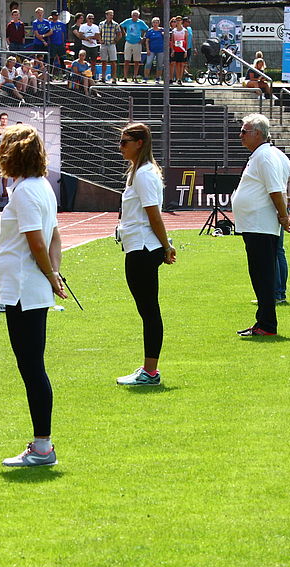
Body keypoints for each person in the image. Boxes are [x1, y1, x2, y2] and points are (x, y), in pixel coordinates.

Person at [0, 124, 66, 466]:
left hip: (24, 288)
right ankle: (41, 444)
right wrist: (53, 273)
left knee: (32, 367)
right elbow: (54, 238)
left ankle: (42, 447)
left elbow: (39, 240)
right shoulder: (41, 188)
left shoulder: (25, 192)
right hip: (29, 286)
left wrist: (52, 274)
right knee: (32, 366)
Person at [115, 123, 176, 386]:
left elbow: (154, 215)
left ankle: (151, 372)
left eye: (125, 141)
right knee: (147, 310)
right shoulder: (138, 172)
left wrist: (166, 246)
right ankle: (149, 369)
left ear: (139, 143)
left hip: (143, 248)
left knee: (149, 311)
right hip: (138, 246)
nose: (121, 146)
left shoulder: (144, 174)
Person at [230, 113, 290, 337]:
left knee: (262, 275)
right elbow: (286, 184)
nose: (240, 135)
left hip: (260, 224)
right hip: (258, 223)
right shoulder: (270, 155)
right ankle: (264, 321)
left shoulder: (265, 156)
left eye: (244, 131)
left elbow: (276, 189)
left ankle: (267, 324)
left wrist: (284, 215)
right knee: (261, 274)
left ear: (257, 134)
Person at [121, 9, 147, 82]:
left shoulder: (141, 22)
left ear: (138, 16)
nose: (135, 17)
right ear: (131, 15)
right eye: (133, 15)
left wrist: (143, 39)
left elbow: (146, 29)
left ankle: (135, 76)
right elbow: (121, 26)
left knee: (137, 61)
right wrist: (124, 34)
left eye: (136, 15)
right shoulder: (128, 21)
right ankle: (125, 77)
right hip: (128, 42)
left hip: (137, 43)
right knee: (126, 60)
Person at [99, 10, 121, 84]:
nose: (111, 16)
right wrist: (100, 40)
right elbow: (99, 33)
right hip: (104, 44)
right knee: (103, 61)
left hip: (111, 44)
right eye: (110, 15)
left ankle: (114, 78)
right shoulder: (101, 24)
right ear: (106, 15)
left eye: (112, 15)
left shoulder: (115, 24)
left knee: (113, 61)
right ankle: (103, 77)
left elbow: (119, 34)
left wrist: (115, 41)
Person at [145, 17, 166, 84]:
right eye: (154, 22)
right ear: (152, 23)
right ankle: (145, 78)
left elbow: (167, 39)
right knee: (148, 63)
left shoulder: (162, 30)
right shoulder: (149, 31)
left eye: (156, 22)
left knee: (160, 64)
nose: (155, 24)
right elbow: (147, 41)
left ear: (159, 23)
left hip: (160, 50)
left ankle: (158, 78)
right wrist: (147, 49)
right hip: (151, 50)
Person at [169, 17, 188, 84]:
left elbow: (186, 41)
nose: (178, 22)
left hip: (182, 49)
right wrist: (172, 50)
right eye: (177, 21)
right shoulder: (174, 31)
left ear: (181, 21)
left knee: (182, 64)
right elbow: (172, 41)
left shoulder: (184, 30)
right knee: (177, 64)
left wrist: (186, 51)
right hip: (176, 49)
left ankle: (180, 78)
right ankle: (177, 78)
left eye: (179, 20)